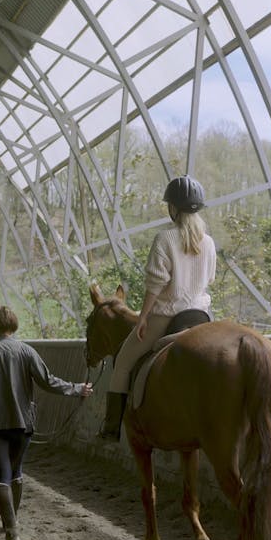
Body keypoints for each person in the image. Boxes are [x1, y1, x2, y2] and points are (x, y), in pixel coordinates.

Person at [0, 306, 93, 540]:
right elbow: (48, 381)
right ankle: (12, 522)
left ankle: (12, 533)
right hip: (23, 423)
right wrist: (78, 389)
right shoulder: (27, 351)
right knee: (16, 471)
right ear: (15, 325)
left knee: (1, 475)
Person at [99, 174, 216, 442]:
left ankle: (111, 427)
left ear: (172, 208)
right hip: (201, 317)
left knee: (124, 364)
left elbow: (156, 284)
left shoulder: (165, 238)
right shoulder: (208, 242)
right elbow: (209, 279)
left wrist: (143, 318)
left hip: (166, 317)